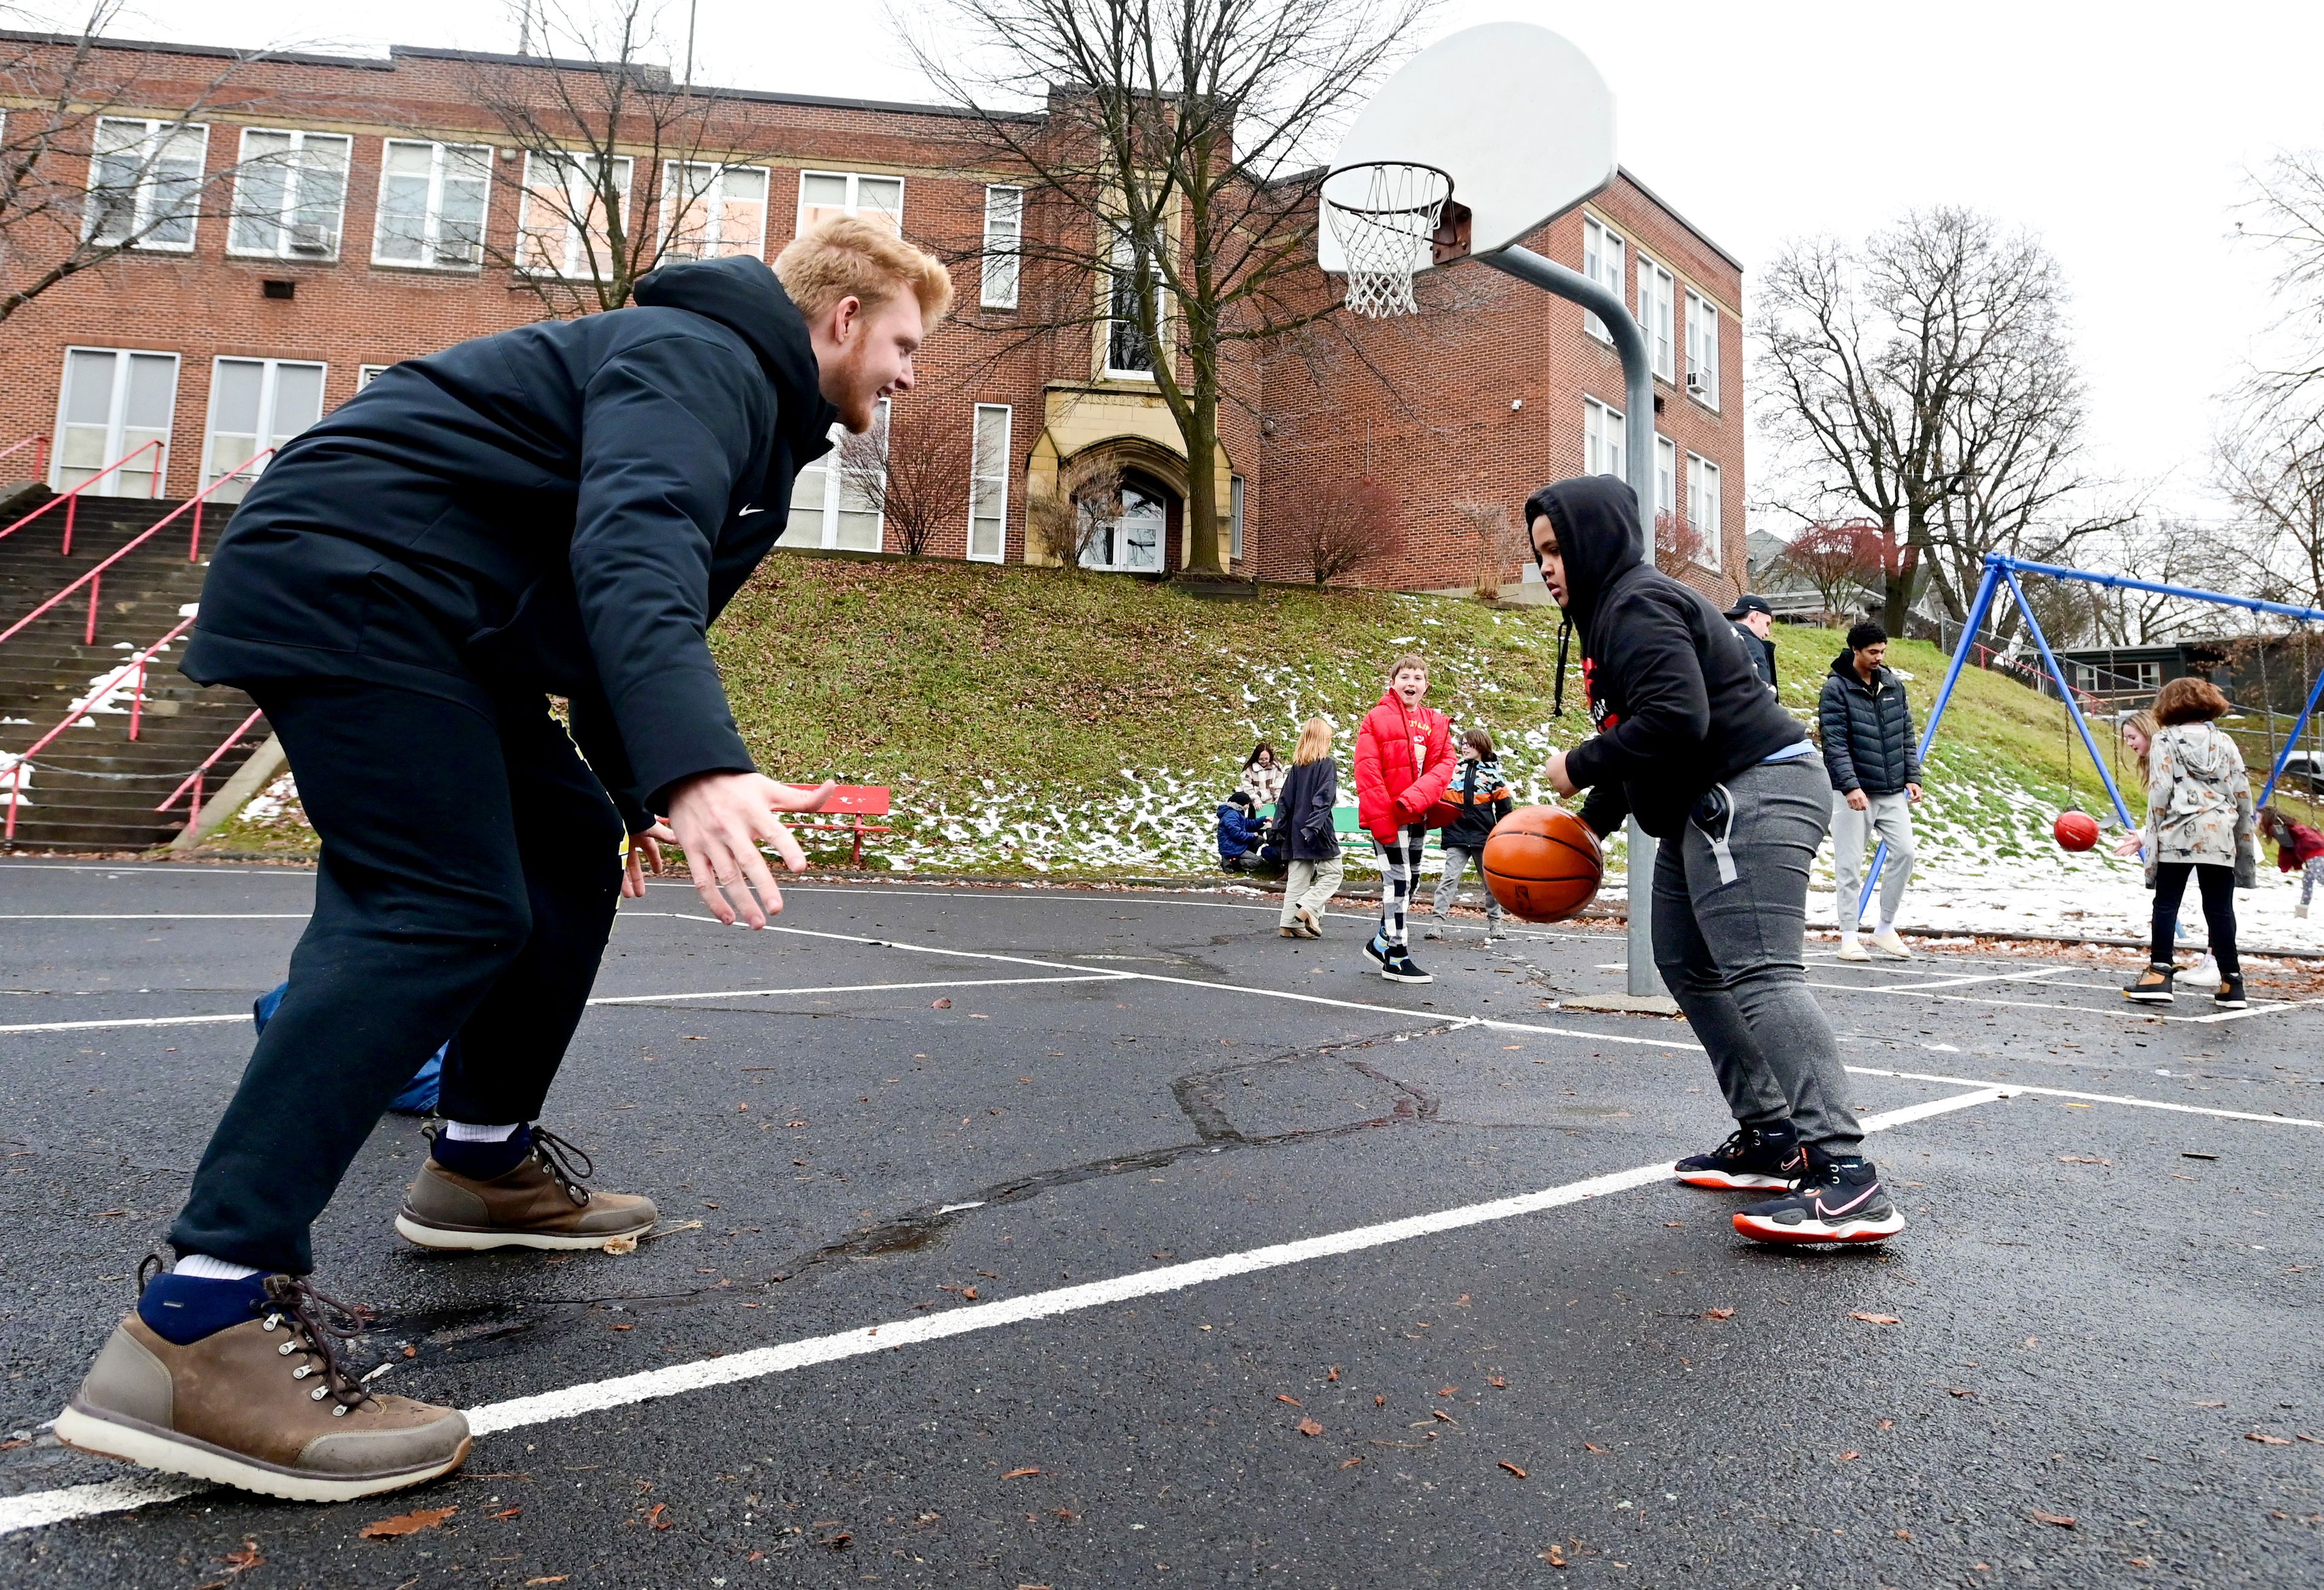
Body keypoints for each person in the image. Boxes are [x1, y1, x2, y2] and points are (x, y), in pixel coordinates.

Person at [54, 218, 951, 1503]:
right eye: (908, 343)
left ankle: (478, 1160)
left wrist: (647, 784)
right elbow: (631, 549)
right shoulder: (701, 358)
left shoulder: (757, 434)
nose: (914, 374)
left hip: (449, 620)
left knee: (568, 846)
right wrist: (698, 766)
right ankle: (200, 1319)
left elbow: (607, 626)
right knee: (441, 906)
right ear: (840, 318)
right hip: (361, 581)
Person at [1527, 475, 1905, 1245]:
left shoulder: (1634, 606)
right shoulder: (1613, 615)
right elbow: (1656, 728)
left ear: (1594, 541)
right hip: (1704, 797)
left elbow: (1677, 717)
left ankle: (1845, 1173)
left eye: (1559, 549)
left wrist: (1583, 763)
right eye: (1539, 554)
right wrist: (1593, 823)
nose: (1548, 567)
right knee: (1685, 961)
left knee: (1762, 973)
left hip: (1752, 788)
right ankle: (1770, 1135)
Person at [2118, 678, 2256, 1007]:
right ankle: (2231, 982)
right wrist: (2243, 845)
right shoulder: (2225, 742)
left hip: (2177, 834)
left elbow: (2160, 793)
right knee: (2220, 909)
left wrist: (2150, 840)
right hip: (2219, 835)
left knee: (2166, 904)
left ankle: (2159, 975)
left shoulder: (2165, 740)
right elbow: (2243, 794)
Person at [1820, 621, 1922, 961]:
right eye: (1873, 652)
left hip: (1892, 789)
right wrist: (1850, 786)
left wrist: (1913, 777)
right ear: (1855, 651)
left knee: (1905, 853)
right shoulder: (1835, 690)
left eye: (1883, 651)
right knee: (1849, 867)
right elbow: (1834, 744)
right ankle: (1849, 937)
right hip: (1853, 792)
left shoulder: (1893, 685)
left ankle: (1884, 928)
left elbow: (1905, 733)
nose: (1880, 657)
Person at [1353, 653, 1456, 984]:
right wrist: (1384, 814)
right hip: (1390, 813)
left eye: (1417, 678)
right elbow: (1367, 770)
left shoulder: (1435, 723)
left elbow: (1445, 764)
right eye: (1405, 677)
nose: (1411, 683)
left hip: (1418, 813)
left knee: (1410, 882)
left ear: (1426, 686)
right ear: (1393, 682)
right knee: (1397, 882)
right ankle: (1396, 956)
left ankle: (1381, 941)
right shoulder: (1376, 718)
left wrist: (1416, 799)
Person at [1426, 727, 1514, 943]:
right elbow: (1436, 795)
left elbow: (1505, 809)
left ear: (1481, 745)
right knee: (1449, 879)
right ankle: (1437, 924)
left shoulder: (1493, 776)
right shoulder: (1453, 770)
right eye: (1462, 744)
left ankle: (1496, 923)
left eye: (1469, 744)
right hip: (1455, 834)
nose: (1464, 747)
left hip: (1483, 837)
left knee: (1490, 882)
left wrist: (1503, 834)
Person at [1275, 717, 1344, 938]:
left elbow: (1284, 801)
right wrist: (1313, 827)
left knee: (1298, 876)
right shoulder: (1327, 765)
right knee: (1333, 873)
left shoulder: (1297, 768)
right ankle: (1308, 907)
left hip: (1296, 829)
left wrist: (1279, 829)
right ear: (1324, 740)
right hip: (1318, 827)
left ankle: (1288, 924)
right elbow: (1324, 799)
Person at [2257, 805, 2324, 918]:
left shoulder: (2279, 829)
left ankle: (2303, 909)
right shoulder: (2290, 827)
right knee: (2307, 880)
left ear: (2267, 819)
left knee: (2321, 878)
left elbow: (2287, 847)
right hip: (2315, 852)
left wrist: (2284, 864)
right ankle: (2303, 909)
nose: (2258, 821)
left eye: (2260, 818)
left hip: (2316, 854)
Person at [1724, 594, 1779, 691]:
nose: (1767, 633)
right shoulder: (1751, 644)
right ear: (1754, 617)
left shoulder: (1715, 638)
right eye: (1767, 624)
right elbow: (1761, 693)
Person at [1217, 790, 1280, 872]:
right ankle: (1235, 863)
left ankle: (1241, 858)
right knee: (1259, 861)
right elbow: (1237, 834)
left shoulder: (1237, 813)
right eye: (1247, 804)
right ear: (1241, 803)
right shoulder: (1231, 816)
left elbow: (1248, 824)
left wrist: (1263, 820)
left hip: (1236, 844)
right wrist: (1252, 835)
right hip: (1232, 847)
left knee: (1260, 839)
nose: (1248, 806)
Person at [1238, 741, 1286, 810]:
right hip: (1256, 806)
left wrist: (1278, 799)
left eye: (1266, 759)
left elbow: (1280, 785)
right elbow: (1247, 787)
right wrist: (1255, 800)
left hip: (1273, 805)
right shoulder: (1249, 770)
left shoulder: (1276, 768)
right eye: (1261, 759)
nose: (1264, 761)